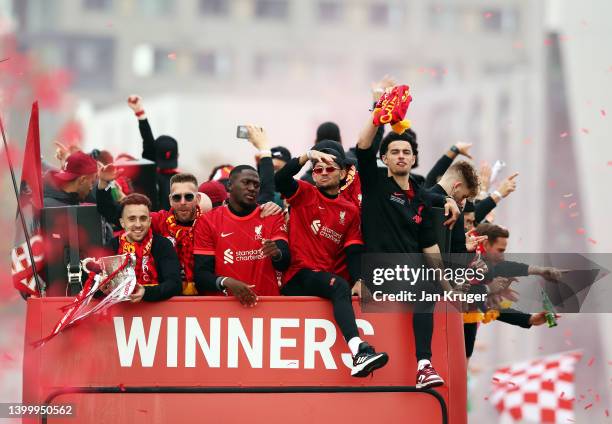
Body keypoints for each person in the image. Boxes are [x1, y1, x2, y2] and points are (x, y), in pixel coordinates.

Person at [356, 109, 461, 389]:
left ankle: (423, 367)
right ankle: (424, 364)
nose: (401, 155)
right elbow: (363, 146)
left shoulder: (422, 197)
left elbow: (429, 245)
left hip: (410, 273)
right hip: (380, 271)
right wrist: (378, 113)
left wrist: (446, 285)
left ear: (413, 158)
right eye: (395, 151)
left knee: (437, 286)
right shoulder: (375, 182)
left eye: (406, 151)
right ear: (385, 158)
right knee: (425, 288)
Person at [274, 142, 389, 378]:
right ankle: (359, 351)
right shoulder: (304, 193)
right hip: (297, 276)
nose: (323, 173)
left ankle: (360, 353)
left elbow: (353, 249)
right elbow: (280, 181)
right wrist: (306, 156)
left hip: (322, 279)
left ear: (343, 173)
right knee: (338, 285)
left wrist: (359, 279)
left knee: (340, 285)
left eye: (330, 168)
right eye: (318, 169)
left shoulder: (350, 210)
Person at [463, 223, 564, 359]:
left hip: (462, 344)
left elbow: (492, 307)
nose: (502, 256)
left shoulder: (486, 267)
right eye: (500, 250)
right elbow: (454, 291)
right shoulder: (464, 258)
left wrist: (530, 319)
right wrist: (488, 288)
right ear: (486, 245)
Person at [193, 165, 290, 301]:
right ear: (230, 186)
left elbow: (285, 262)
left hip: (267, 308)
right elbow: (201, 275)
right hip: (224, 311)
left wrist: (277, 254)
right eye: (246, 183)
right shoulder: (208, 221)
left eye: (256, 185)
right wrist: (226, 282)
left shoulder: (272, 216)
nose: (252, 188)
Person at [104, 193, 181, 302]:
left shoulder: (163, 245)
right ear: (122, 223)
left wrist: (146, 292)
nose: (138, 224)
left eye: (143, 218)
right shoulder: (112, 246)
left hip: (157, 315)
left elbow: (175, 285)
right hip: (120, 315)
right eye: (132, 219)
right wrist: (102, 287)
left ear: (149, 221)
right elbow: (95, 286)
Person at [127, 95, 179, 211]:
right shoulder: (182, 181)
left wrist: (140, 113)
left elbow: (148, 141)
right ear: (177, 156)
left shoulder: (149, 175)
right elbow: (148, 142)